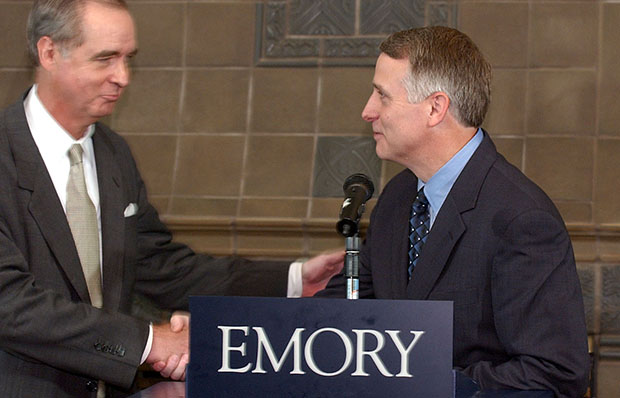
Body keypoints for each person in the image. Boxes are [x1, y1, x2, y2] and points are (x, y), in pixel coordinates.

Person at [0, 0, 343, 397]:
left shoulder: (113, 155)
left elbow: (161, 266)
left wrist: (295, 279)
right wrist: (149, 342)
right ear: (48, 52)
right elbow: (9, 301)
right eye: (106, 58)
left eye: (129, 58)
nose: (123, 77)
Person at [316, 26, 590, 397]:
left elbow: (553, 373)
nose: (367, 111)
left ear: (435, 108)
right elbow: (342, 313)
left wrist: (436, 383)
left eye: (382, 96)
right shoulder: (397, 197)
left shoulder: (521, 219)